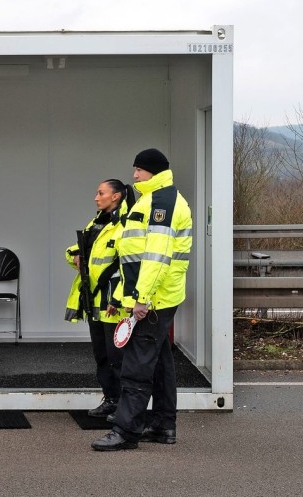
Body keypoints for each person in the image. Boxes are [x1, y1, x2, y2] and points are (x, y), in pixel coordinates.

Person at [92, 148, 193, 451]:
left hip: (153, 300)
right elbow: (134, 257)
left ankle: (126, 431)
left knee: (136, 365)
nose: (134, 176)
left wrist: (142, 299)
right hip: (153, 297)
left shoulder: (162, 202)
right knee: (160, 361)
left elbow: (156, 257)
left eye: (138, 170)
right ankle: (163, 425)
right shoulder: (153, 199)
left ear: (152, 171)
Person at [64, 178, 132, 419]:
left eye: (101, 193)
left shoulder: (125, 224)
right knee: (102, 356)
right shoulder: (97, 222)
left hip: (113, 305)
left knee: (118, 359)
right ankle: (111, 400)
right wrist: (73, 255)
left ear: (116, 196)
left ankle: (125, 405)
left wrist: (117, 299)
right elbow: (83, 250)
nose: (96, 197)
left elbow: (128, 266)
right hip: (94, 302)